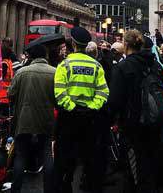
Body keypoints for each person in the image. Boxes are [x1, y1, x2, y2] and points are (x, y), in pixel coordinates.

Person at [109, 29, 163, 193]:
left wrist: (113, 120)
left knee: (133, 169)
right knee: (151, 165)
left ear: (126, 45)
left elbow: (115, 100)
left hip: (133, 124)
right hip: (154, 122)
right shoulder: (155, 65)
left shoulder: (123, 66)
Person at [53, 27, 108, 193]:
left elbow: (59, 92)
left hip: (68, 119)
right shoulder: (96, 66)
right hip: (90, 119)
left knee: (65, 159)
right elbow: (103, 92)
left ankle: (65, 186)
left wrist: (72, 108)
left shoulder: (65, 65)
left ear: (73, 44)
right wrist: (91, 108)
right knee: (89, 158)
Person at [8, 37, 56, 193]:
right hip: (46, 119)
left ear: (32, 57)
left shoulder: (22, 72)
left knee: (21, 155)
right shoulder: (54, 72)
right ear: (45, 56)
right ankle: (48, 188)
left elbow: (11, 94)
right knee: (47, 153)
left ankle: (16, 189)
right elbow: (58, 98)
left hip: (24, 119)